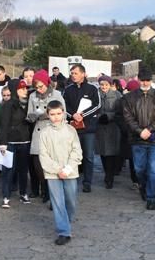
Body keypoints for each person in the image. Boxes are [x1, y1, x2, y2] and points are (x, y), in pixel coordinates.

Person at [122, 67, 155, 210]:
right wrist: (139, 131)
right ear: (138, 79)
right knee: (139, 169)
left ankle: (151, 198)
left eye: (147, 80)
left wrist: (149, 129)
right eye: (143, 80)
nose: (145, 83)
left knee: (153, 170)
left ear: (151, 80)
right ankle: (143, 186)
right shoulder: (129, 97)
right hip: (137, 139)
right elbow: (127, 116)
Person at [38, 100, 83, 245]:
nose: (56, 117)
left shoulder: (71, 130)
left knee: (70, 200)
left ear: (63, 113)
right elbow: (43, 155)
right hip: (52, 173)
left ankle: (66, 222)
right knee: (57, 202)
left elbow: (77, 151)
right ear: (48, 115)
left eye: (58, 113)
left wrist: (67, 169)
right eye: (52, 114)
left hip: (70, 171)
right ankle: (64, 231)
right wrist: (57, 170)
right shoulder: (44, 133)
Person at [28, 70, 65, 203]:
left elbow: (64, 113)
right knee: (38, 164)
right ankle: (44, 189)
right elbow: (29, 115)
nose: (39, 89)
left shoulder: (56, 94)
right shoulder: (33, 96)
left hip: (53, 130)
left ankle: (52, 193)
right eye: (36, 87)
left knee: (52, 163)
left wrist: (48, 115)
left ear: (46, 83)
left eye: (41, 86)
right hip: (38, 131)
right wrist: (34, 115)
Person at [63, 63, 101, 192]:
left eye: (76, 73)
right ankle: (72, 178)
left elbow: (97, 105)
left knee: (88, 156)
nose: (73, 76)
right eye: (72, 73)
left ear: (83, 74)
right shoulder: (68, 90)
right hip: (72, 128)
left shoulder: (92, 89)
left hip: (88, 128)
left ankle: (87, 182)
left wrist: (82, 115)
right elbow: (63, 106)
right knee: (72, 155)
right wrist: (72, 115)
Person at [0, 79, 32, 208]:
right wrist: (3, 142)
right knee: (8, 170)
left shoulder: (29, 103)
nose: (25, 91)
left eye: (25, 88)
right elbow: (4, 124)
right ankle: (6, 196)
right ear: (15, 90)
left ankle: (23, 193)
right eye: (21, 88)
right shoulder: (9, 105)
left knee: (23, 169)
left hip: (25, 140)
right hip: (11, 141)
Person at [96, 75, 122, 189]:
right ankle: (107, 173)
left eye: (106, 84)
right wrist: (99, 117)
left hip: (113, 128)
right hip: (100, 128)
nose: (104, 87)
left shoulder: (117, 95)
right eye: (102, 84)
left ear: (110, 85)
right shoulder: (96, 94)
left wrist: (109, 116)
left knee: (111, 153)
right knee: (103, 153)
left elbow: (120, 111)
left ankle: (109, 176)